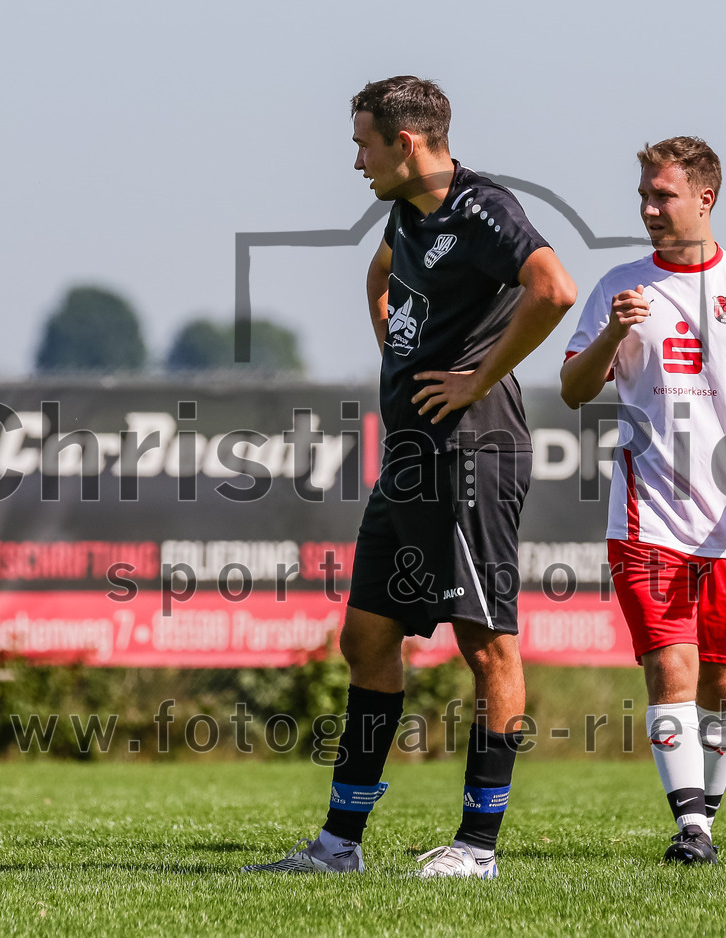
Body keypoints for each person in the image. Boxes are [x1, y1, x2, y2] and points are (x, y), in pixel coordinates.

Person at [243, 76, 576, 878]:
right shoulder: (409, 211)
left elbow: (554, 288)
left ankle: (478, 848)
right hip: (410, 461)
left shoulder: (483, 209)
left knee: (486, 644)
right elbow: (381, 273)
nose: (356, 159)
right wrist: (399, 346)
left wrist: (475, 377)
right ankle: (338, 845)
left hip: (472, 453)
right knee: (366, 637)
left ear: (409, 143)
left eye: (364, 142)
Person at [560, 136, 726, 865]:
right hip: (648, 516)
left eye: (663, 195)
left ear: (705, 198)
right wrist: (616, 328)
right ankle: (691, 827)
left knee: (722, 678)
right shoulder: (620, 284)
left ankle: (703, 815)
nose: (648, 208)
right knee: (668, 667)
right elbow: (575, 389)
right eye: (644, 195)